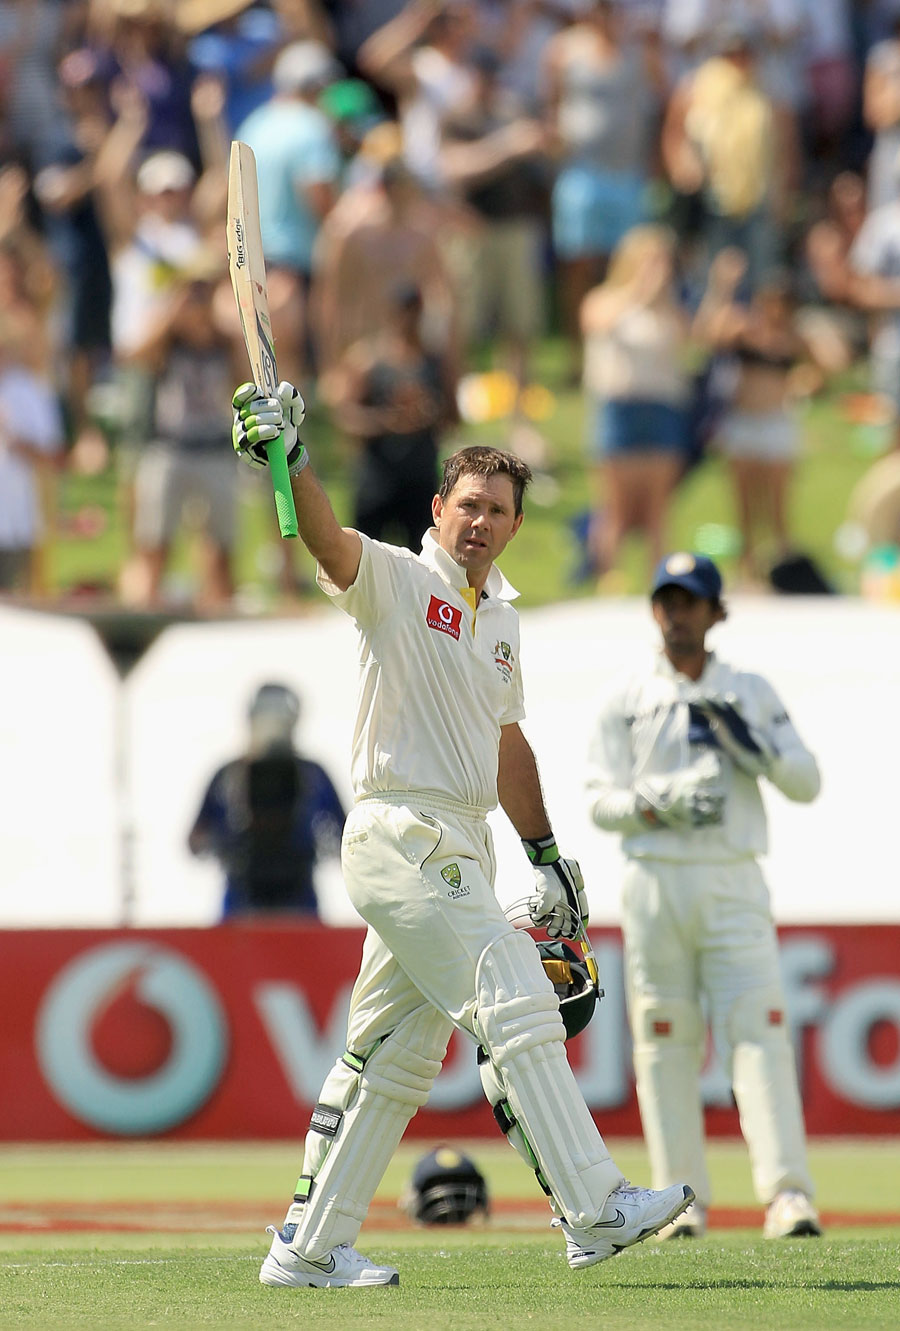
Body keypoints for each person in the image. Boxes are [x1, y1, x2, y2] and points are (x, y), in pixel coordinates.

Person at [229, 377, 694, 1287]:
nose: (479, 521)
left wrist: (547, 854)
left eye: (498, 510)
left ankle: (309, 1246)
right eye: (467, 505)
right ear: (438, 510)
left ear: (516, 525)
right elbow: (321, 537)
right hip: (399, 825)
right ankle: (593, 1209)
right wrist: (293, 457)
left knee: (395, 1055)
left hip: (465, 839)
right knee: (512, 991)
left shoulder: (504, 622)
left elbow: (507, 743)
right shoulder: (399, 583)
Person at [585, 550, 823, 1242]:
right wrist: (655, 804)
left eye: (690, 601)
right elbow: (599, 801)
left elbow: (807, 781)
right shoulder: (626, 695)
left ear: (717, 612)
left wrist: (758, 751)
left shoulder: (748, 689)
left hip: (731, 875)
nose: (676, 613)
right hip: (655, 877)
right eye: (666, 599)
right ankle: (681, 1202)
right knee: (664, 1039)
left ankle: (786, 1196)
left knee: (759, 1031)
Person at [579, 224, 693, 586]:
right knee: (614, 506)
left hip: (662, 408)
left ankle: (659, 580)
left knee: (659, 508)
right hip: (620, 407)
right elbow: (597, 323)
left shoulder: (671, 310)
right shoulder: (605, 299)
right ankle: (608, 577)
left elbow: (690, 345)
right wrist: (641, 290)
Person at [189, 681, 346, 919]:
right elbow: (196, 839)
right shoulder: (229, 777)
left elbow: (346, 839)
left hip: (299, 901)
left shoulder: (312, 777)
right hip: (241, 901)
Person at [330, 280, 456, 550]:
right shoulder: (367, 360)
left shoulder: (434, 362)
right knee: (366, 563)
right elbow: (346, 416)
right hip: (377, 478)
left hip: (421, 478)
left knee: (424, 567)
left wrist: (425, 412)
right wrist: (388, 421)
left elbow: (453, 415)